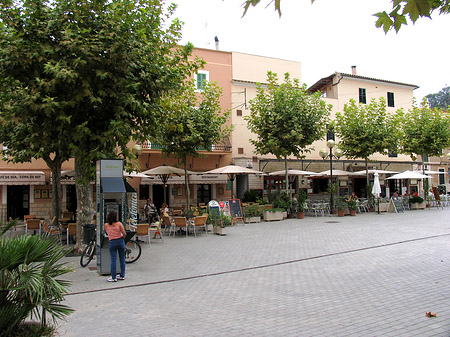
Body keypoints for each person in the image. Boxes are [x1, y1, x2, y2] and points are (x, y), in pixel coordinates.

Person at [104, 211, 126, 282]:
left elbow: (107, 232)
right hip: (120, 240)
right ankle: (122, 275)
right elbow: (124, 233)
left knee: (113, 259)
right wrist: (122, 238)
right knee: (122, 259)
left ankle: (114, 277)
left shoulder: (106, 225)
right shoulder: (119, 224)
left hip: (112, 241)